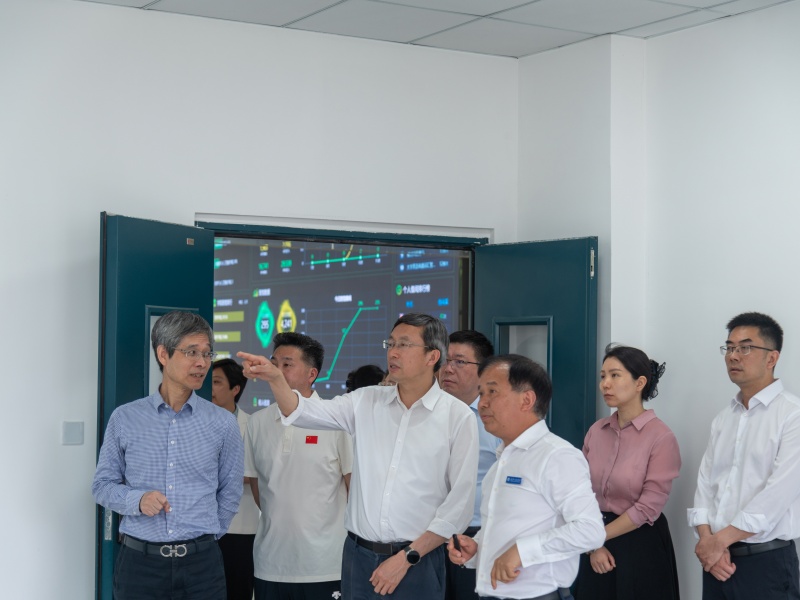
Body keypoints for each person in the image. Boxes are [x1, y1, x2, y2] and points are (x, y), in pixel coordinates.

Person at [239, 313, 479, 600]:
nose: (393, 352)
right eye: (390, 343)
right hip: (358, 557)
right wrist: (276, 378)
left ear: (432, 356)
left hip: (418, 560)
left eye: (404, 344)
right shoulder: (366, 401)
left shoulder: (457, 417)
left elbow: (458, 506)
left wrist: (407, 557)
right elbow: (302, 412)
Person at [92, 311, 244, 600]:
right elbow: (102, 486)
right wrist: (137, 500)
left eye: (207, 353)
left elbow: (230, 491)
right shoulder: (125, 418)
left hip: (202, 567)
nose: (202, 363)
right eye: (191, 352)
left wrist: (204, 537)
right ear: (163, 354)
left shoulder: (223, 423)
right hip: (140, 567)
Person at [448, 354, 605, 600]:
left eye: (492, 392)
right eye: (481, 393)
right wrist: (477, 548)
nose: (482, 403)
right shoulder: (502, 461)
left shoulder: (556, 455)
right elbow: (511, 527)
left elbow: (590, 531)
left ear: (527, 400)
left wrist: (523, 551)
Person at [688, 312, 800, 600]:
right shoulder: (723, 419)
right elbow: (705, 486)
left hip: (766, 564)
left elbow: (777, 496)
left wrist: (717, 542)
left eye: (745, 347)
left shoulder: (792, 415)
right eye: (729, 348)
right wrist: (707, 541)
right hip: (716, 563)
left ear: (772, 358)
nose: (733, 356)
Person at [244, 332, 353, 600]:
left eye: (287, 364)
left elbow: (354, 489)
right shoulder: (257, 422)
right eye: (274, 363)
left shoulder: (335, 421)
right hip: (270, 563)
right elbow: (258, 487)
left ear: (311, 374)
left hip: (325, 564)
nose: (275, 371)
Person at [574, 344, 681, 600]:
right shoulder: (596, 431)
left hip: (639, 543)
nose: (605, 384)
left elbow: (649, 506)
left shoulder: (661, 437)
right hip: (594, 539)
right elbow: (577, 490)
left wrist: (595, 539)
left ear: (639, 383)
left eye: (615, 375)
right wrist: (593, 546)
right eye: (603, 376)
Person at [439, 330, 499, 600]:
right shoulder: (428, 414)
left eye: (460, 362)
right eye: (445, 360)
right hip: (429, 537)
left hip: (474, 537)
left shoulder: (496, 419)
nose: (448, 368)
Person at [211, 358, 260, 600]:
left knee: (237, 591)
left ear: (235, 389)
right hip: (202, 529)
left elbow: (257, 473)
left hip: (241, 529)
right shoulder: (193, 422)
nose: (209, 388)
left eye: (216, 382)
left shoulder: (253, 426)